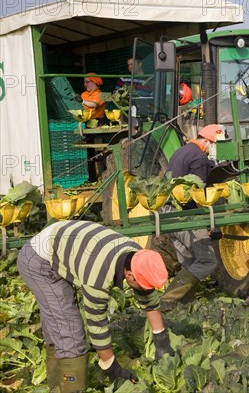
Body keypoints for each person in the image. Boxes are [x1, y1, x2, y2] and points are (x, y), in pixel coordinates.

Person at [17, 220, 175, 392]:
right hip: (38, 261)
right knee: (69, 329)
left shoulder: (137, 255)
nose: (145, 289)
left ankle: (56, 384)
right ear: (129, 275)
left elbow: (148, 300)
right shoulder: (98, 278)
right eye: (143, 284)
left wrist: (162, 342)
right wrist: (111, 367)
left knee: (58, 319)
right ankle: (70, 387)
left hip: (61, 245)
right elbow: (97, 325)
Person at [159, 124, 223, 310]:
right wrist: (211, 224)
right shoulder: (199, 158)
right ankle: (168, 301)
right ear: (208, 141)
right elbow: (198, 194)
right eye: (216, 144)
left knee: (189, 262)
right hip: (182, 216)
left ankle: (183, 310)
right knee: (207, 261)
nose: (215, 148)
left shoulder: (181, 151)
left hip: (166, 213)